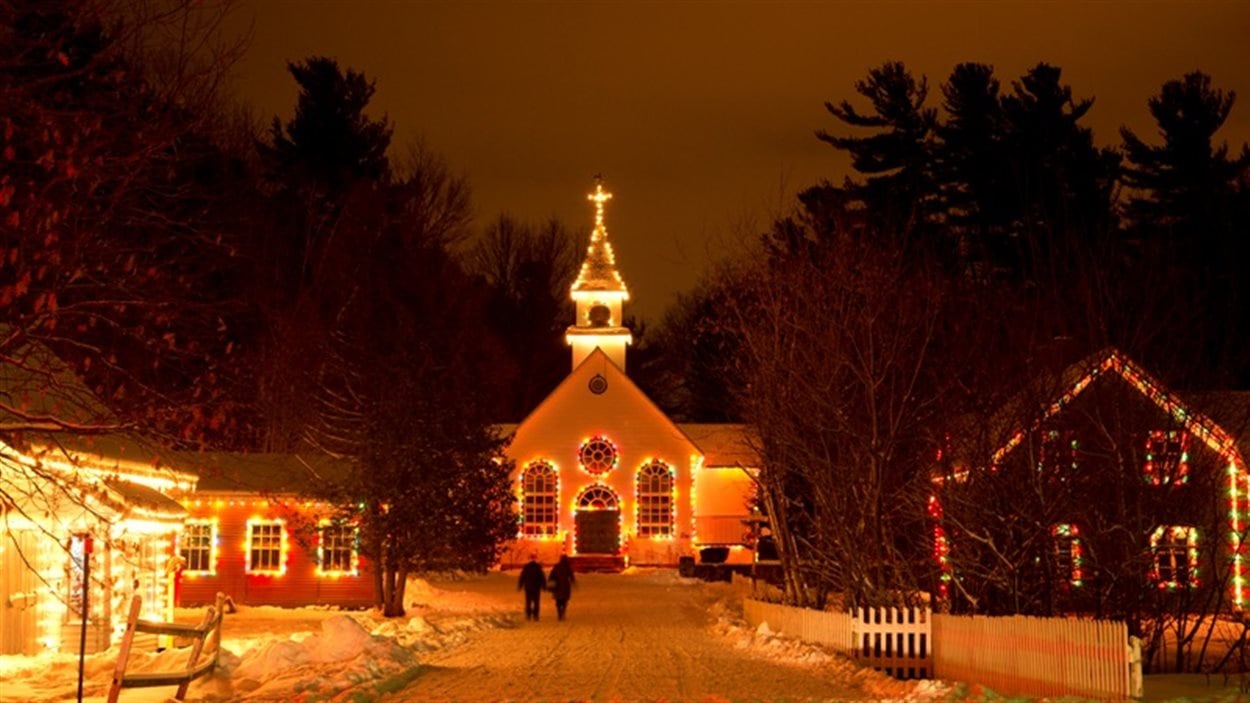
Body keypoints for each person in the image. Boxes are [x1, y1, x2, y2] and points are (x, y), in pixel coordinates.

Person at [517, 553, 546, 621]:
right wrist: (544, 586)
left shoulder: (526, 567)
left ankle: (528, 615)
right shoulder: (538, 567)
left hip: (528, 587)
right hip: (536, 587)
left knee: (528, 601)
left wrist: (520, 585)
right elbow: (542, 577)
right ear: (535, 559)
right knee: (536, 601)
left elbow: (522, 576)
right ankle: (536, 615)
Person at [547, 554, 576, 621]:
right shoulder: (567, 567)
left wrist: (550, 583)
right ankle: (563, 612)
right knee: (564, 601)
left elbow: (552, 575)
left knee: (558, 601)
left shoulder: (556, 566)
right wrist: (573, 582)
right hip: (565, 586)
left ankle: (559, 613)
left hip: (557, 586)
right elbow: (571, 576)